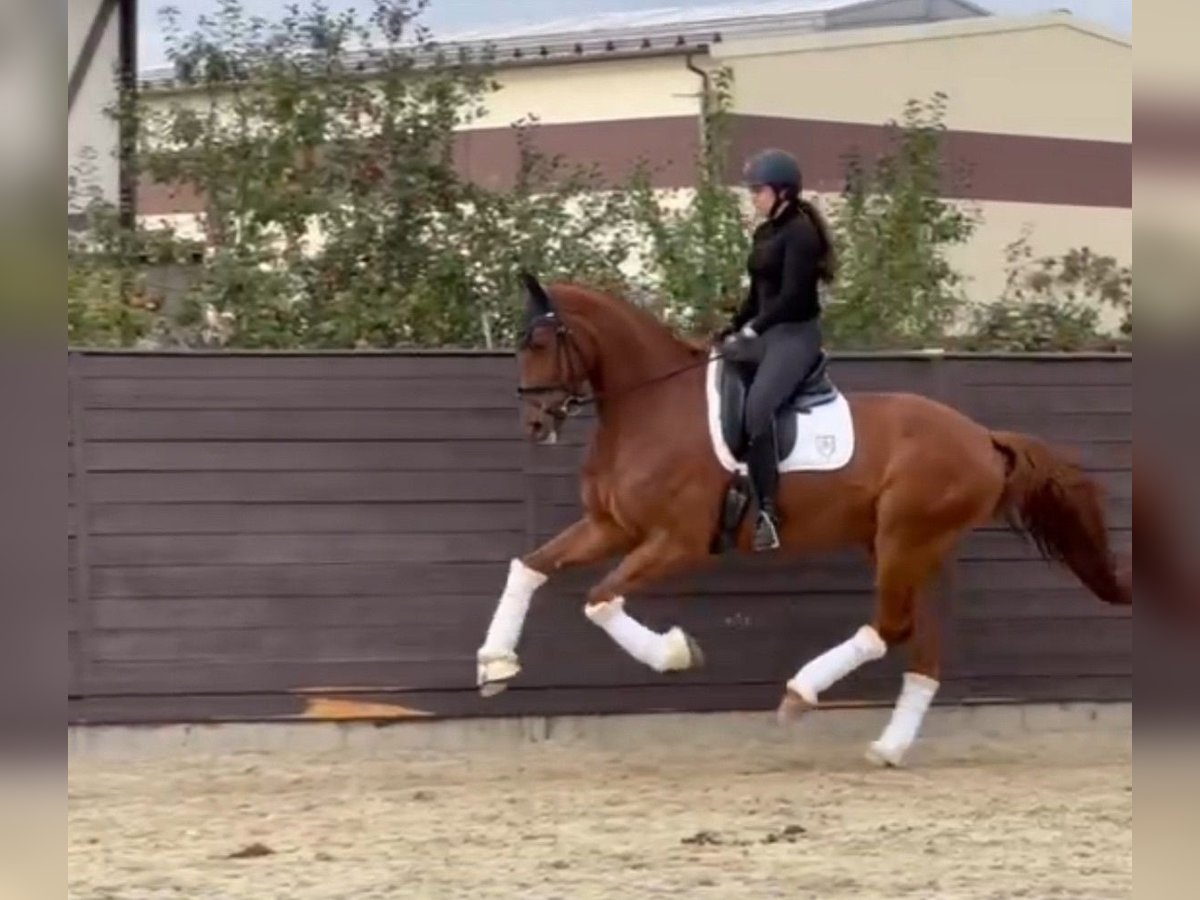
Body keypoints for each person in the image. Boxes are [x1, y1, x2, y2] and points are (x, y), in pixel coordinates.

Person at [718, 148, 837, 552]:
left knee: (757, 410)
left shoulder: (801, 233)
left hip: (795, 335)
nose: (753, 197)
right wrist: (733, 327)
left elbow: (792, 298)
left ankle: (768, 510)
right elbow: (759, 294)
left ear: (782, 192)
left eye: (758, 190)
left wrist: (754, 330)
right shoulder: (765, 233)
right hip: (767, 331)